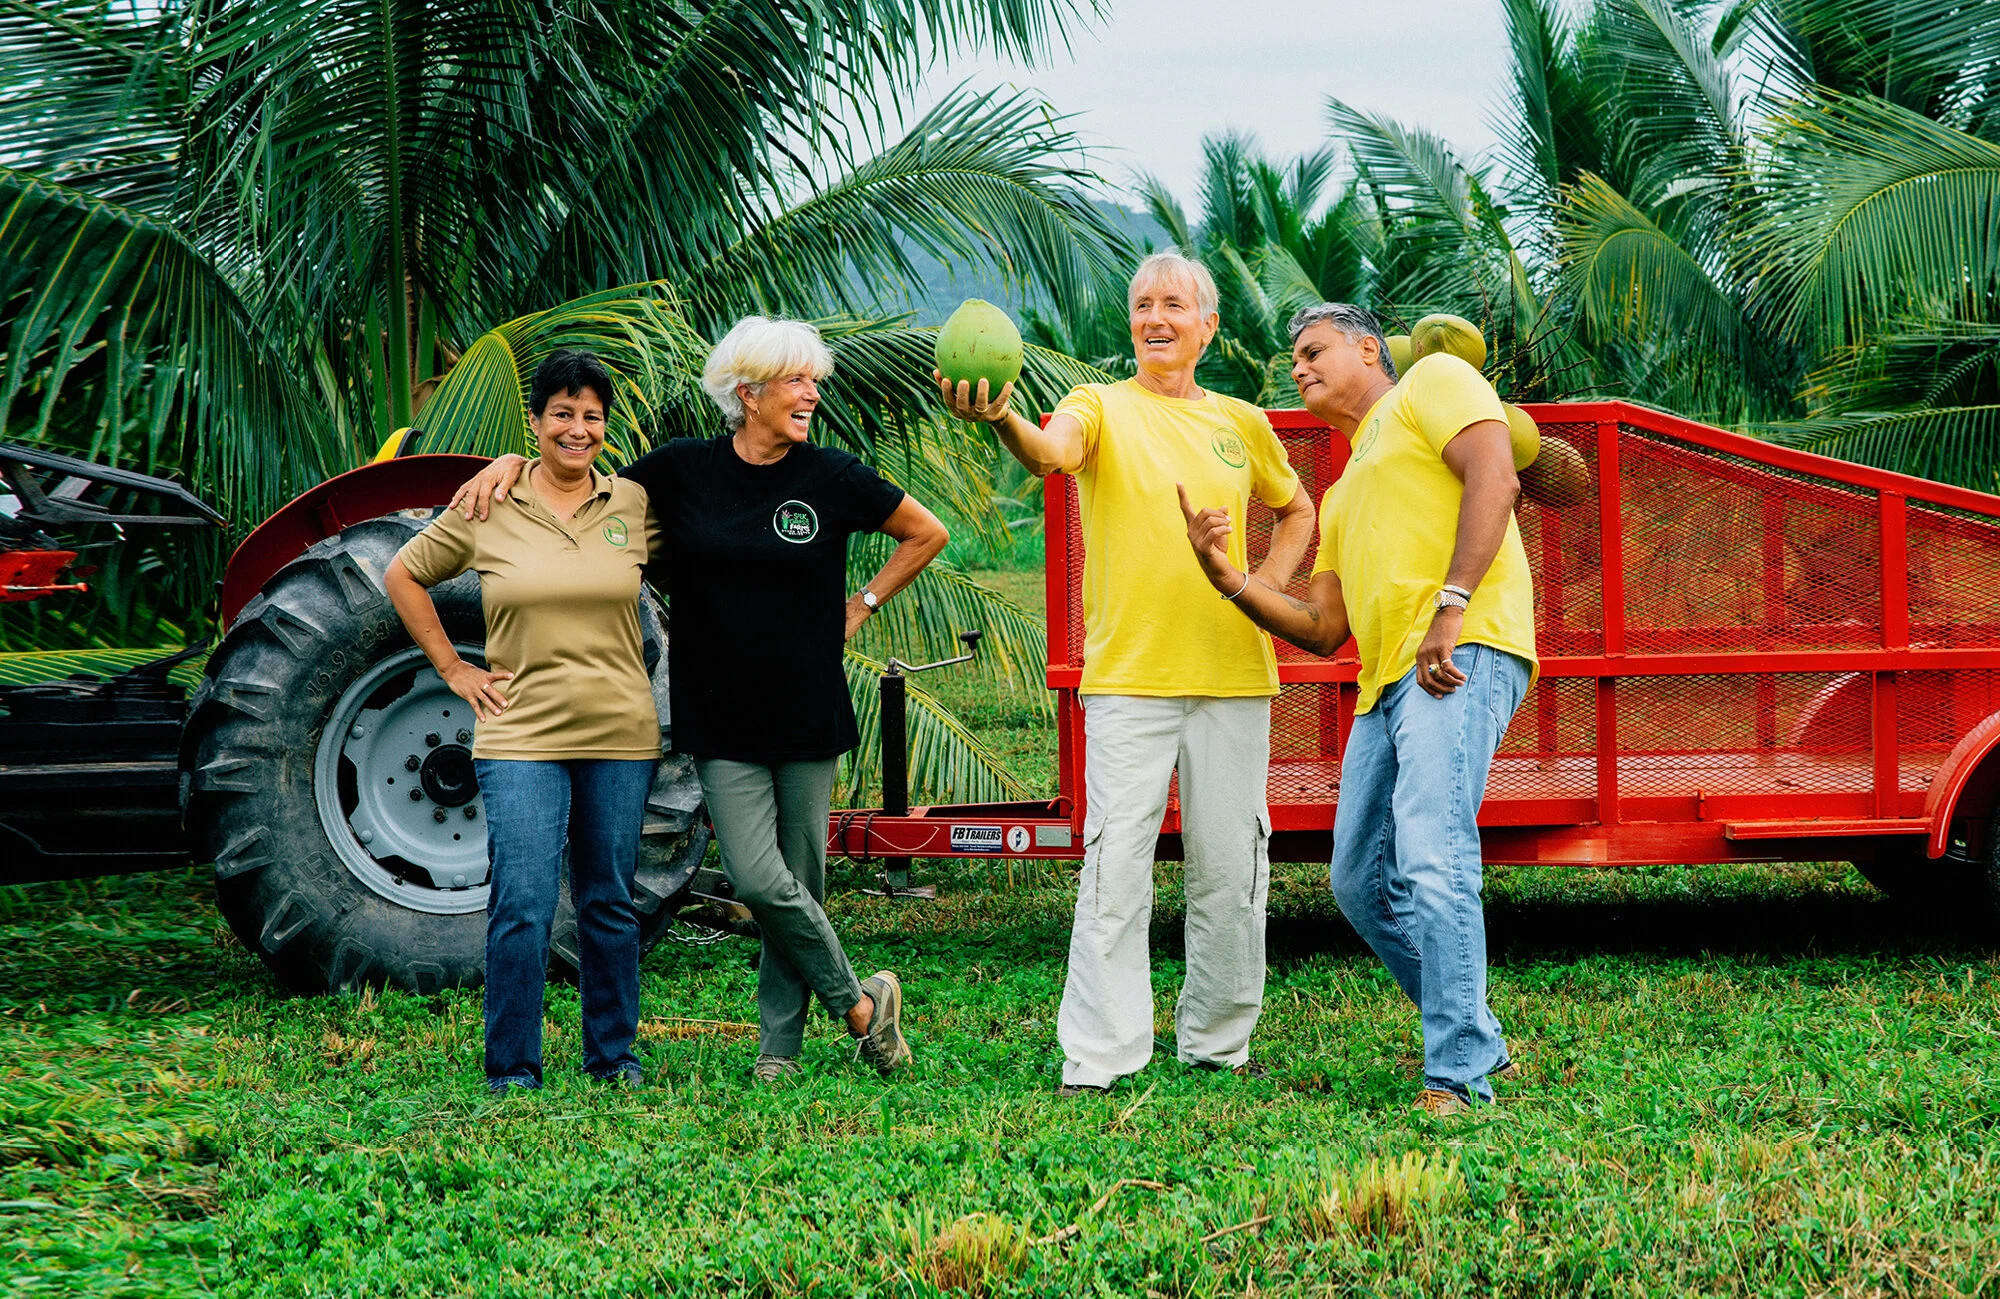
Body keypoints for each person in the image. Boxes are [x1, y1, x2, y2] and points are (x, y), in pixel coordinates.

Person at [447, 317, 948, 1084]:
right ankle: (861, 1004)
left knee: (799, 883)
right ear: (746, 394)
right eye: (795, 381)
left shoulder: (831, 475)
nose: (812, 393)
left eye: (815, 379)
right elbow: (584, 483)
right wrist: (512, 462)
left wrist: (862, 604)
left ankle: (778, 1048)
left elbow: (925, 531)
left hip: (808, 710)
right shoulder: (682, 470)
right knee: (758, 879)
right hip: (720, 712)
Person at [938, 252, 1316, 1094]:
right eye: (1143, 304)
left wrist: (1263, 589)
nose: (1155, 317)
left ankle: (1217, 1040)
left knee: (1232, 867)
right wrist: (1001, 415)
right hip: (1130, 679)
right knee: (1116, 868)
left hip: (1233, 676)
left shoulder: (1242, 422)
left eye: (1174, 304)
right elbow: (1046, 455)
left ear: (1207, 326)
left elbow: (1298, 508)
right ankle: (1102, 1054)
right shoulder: (1097, 406)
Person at [1177, 303, 1537, 1118]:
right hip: (1387, 681)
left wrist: (1451, 604)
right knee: (1359, 880)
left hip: (1462, 646)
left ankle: (1456, 1074)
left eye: (1313, 350)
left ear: (1370, 347)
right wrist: (1228, 576)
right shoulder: (1338, 492)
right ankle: (1475, 1035)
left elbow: (1497, 475)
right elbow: (1322, 626)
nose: (1298, 367)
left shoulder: (1433, 383)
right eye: (1292, 359)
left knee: (1434, 857)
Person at [386, 349, 659, 1093]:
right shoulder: (488, 504)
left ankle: (614, 1058)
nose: (578, 430)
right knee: (523, 901)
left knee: (608, 899)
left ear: (607, 426)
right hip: (521, 735)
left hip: (619, 733)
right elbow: (402, 573)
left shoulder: (632, 505)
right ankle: (512, 1067)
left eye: (592, 416)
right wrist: (453, 668)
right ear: (534, 421)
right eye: (561, 414)